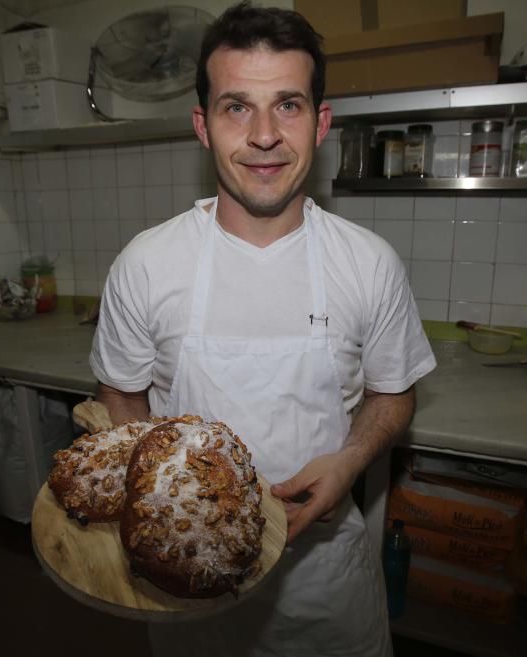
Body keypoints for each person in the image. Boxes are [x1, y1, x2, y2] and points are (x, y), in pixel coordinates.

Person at [89, 2, 436, 655]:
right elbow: (121, 393)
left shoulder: (368, 264)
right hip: (185, 580)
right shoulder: (147, 263)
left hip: (324, 581)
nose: (265, 134)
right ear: (203, 125)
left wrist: (353, 459)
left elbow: (394, 394)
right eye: (237, 106)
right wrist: (154, 502)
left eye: (288, 105)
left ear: (320, 122)